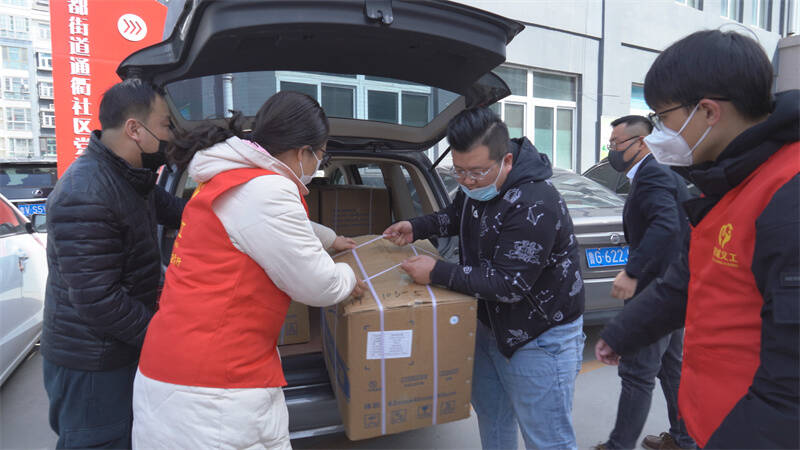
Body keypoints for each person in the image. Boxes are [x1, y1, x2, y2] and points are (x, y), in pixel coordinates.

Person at [595, 30, 799, 449]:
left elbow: (790, 385)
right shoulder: (728, 180)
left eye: (663, 117)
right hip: (714, 420)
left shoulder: (786, 195)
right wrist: (624, 332)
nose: (659, 133)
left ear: (707, 111)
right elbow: (686, 281)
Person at [131, 91, 366, 449]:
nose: (319, 163)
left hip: (176, 365)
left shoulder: (232, 178)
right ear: (302, 152)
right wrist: (349, 277)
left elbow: (261, 226)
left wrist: (330, 239)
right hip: (213, 389)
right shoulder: (267, 190)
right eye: (321, 154)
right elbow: (319, 285)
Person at [384, 107, 586, 450]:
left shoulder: (536, 202)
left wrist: (437, 272)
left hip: (539, 336)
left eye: (476, 172)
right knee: (494, 421)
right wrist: (417, 227)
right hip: (488, 324)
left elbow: (510, 284)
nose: (466, 181)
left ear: (506, 160)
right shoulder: (479, 186)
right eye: (459, 171)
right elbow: (457, 215)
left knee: (548, 440)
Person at [41, 80, 185, 449]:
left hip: (117, 348)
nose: (170, 136)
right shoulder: (85, 192)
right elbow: (99, 300)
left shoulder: (132, 181)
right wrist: (163, 336)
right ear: (135, 129)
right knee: (101, 441)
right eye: (165, 125)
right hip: (92, 363)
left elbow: (183, 213)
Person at [594, 116, 694, 450]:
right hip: (670, 284)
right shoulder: (654, 172)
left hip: (655, 288)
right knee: (671, 367)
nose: (612, 149)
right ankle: (683, 438)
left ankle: (618, 446)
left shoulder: (653, 174)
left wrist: (632, 271)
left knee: (637, 372)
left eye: (617, 143)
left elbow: (665, 226)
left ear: (642, 143)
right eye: (610, 143)